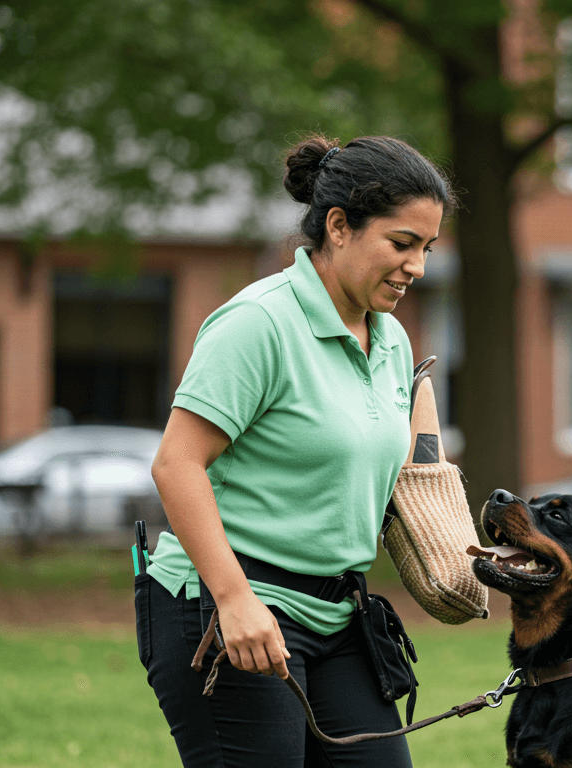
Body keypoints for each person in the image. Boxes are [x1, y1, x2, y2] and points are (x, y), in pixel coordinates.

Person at [138, 134, 454, 767]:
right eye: (401, 243)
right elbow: (176, 464)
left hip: (339, 617)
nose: (416, 266)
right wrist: (233, 600)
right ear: (338, 226)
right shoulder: (258, 323)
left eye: (427, 248)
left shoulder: (390, 341)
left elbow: (398, 478)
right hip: (225, 605)